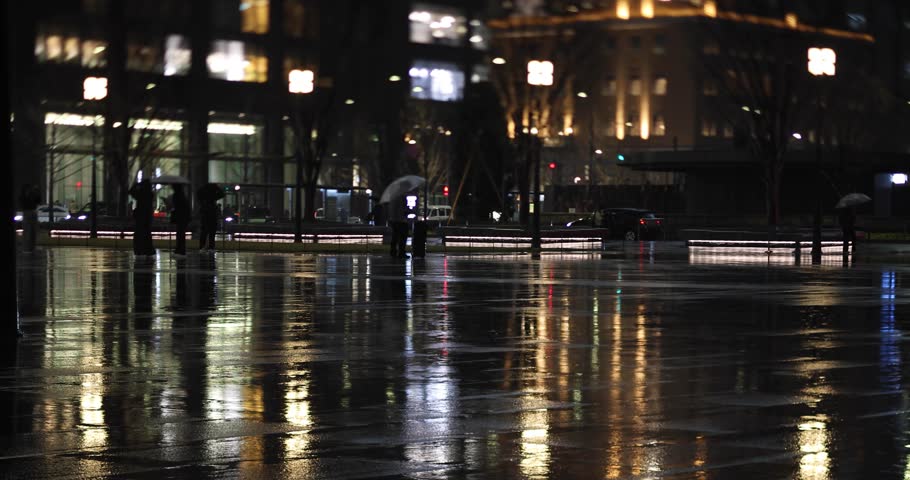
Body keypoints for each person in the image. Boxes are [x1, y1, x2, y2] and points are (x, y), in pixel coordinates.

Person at [129, 180, 155, 256]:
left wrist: (137, 184)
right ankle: (148, 251)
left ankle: (140, 251)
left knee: (139, 234)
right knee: (147, 234)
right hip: (147, 218)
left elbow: (131, 191)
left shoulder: (140, 194)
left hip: (140, 217)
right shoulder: (150, 195)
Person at [197, 183, 224, 251]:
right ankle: (211, 247)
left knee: (204, 232)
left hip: (205, 213)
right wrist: (217, 187)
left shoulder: (203, 196)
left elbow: (198, 194)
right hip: (212, 214)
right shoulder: (213, 196)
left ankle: (202, 247)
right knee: (212, 232)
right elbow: (222, 194)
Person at [18, 184, 41, 253]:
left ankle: (31, 247)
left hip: (31, 212)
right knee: (28, 231)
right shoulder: (23, 197)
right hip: (28, 212)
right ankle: (27, 247)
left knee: (32, 231)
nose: (29, 190)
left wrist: (37, 192)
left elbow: (38, 201)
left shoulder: (32, 195)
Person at [171, 184, 191, 256]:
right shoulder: (183, 195)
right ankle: (180, 250)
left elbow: (175, 206)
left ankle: (180, 250)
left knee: (180, 234)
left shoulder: (176, 195)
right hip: (183, 218)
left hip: (180, 217)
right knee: (181, 234)